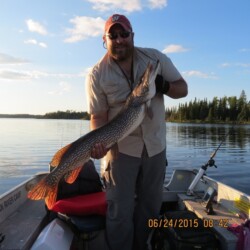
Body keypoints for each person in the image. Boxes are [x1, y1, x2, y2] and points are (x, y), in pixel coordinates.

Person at [85, 14, 188, 250]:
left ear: (132, 35)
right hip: (120, 151)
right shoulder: (97, 74)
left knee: (150, 209)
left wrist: (164, 86)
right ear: (105, 39)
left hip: (155, 148)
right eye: (114, 35)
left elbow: (182, 89)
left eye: (124, 34)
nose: (119, 40)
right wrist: (100, 145)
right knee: (120, 212)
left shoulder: (155, 58)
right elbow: (98, 116)